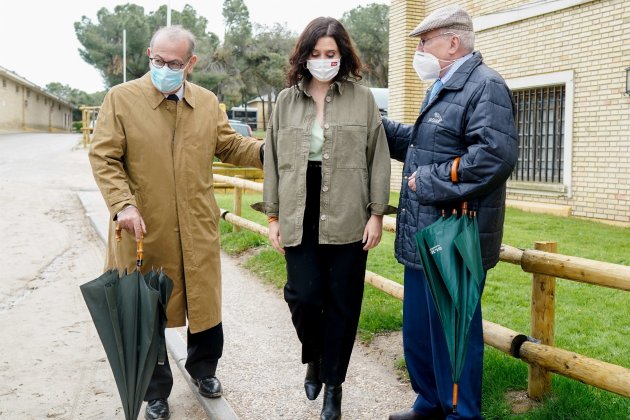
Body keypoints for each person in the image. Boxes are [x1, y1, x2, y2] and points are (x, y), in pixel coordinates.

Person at [88, 25, 264, 420]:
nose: (164, 68)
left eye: (174, 63)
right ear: (149, 53)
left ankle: (204, 370)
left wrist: (267, 152)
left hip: (196, 223)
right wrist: (123, 204)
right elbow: (104, 157)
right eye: (157, 60)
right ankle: (154, 391)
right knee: (146, 306)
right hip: (142, 226)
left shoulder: (206, 101)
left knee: (204, 302)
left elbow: (230, 144)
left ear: (191, 63)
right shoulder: (121, 99)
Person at [253, 16, 395, 420]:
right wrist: (273, 216)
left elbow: (378, 158)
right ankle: (314, 357)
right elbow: (275, 161)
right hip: (300, 207)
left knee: (343, 304)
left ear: (343, 55)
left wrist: (377, 214)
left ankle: (334, 385)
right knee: (303, 296)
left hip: (350, 210)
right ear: (304, 56)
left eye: (330, 54)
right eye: (315, 54)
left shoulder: (362, 99)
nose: (323, 60)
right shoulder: (285, 101)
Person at [383, 6, 518, 420]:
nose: (419, 50)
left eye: (425, 41)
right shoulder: (442, 86)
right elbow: (422, 145)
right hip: (423, 234)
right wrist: (376, 124)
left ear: (453, 42)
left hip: (457, 236)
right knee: (421, 334)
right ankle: (430, 401)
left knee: (453, 340)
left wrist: (430, 181)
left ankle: (460, 414)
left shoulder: (485, 86)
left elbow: (494, 155)